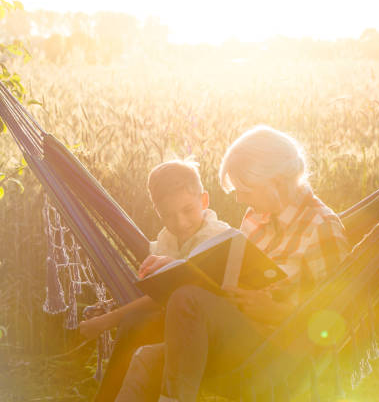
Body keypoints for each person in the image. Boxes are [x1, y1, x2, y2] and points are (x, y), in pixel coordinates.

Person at [115, 126, 350, 402]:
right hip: (234, 336)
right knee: (146, 357)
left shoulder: (322, 227)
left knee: (187, 299)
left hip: (278, 351)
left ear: (275, 182)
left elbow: (340, 317)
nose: (238, 199)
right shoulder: (254, 218)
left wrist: (277, 311)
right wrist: (177, 268)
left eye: (244, 190)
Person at [79, 159, 230, 402]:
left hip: (210, 333)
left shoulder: (217, 237)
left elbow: (162, 298)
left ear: (204, 200)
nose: (180, 223)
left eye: (188, 210)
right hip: (175, 323)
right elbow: (159, 294)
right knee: (140, 331)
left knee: (138, 324)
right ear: (157, 212)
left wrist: (106, 321)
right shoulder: (165, 240)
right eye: (168, 215)